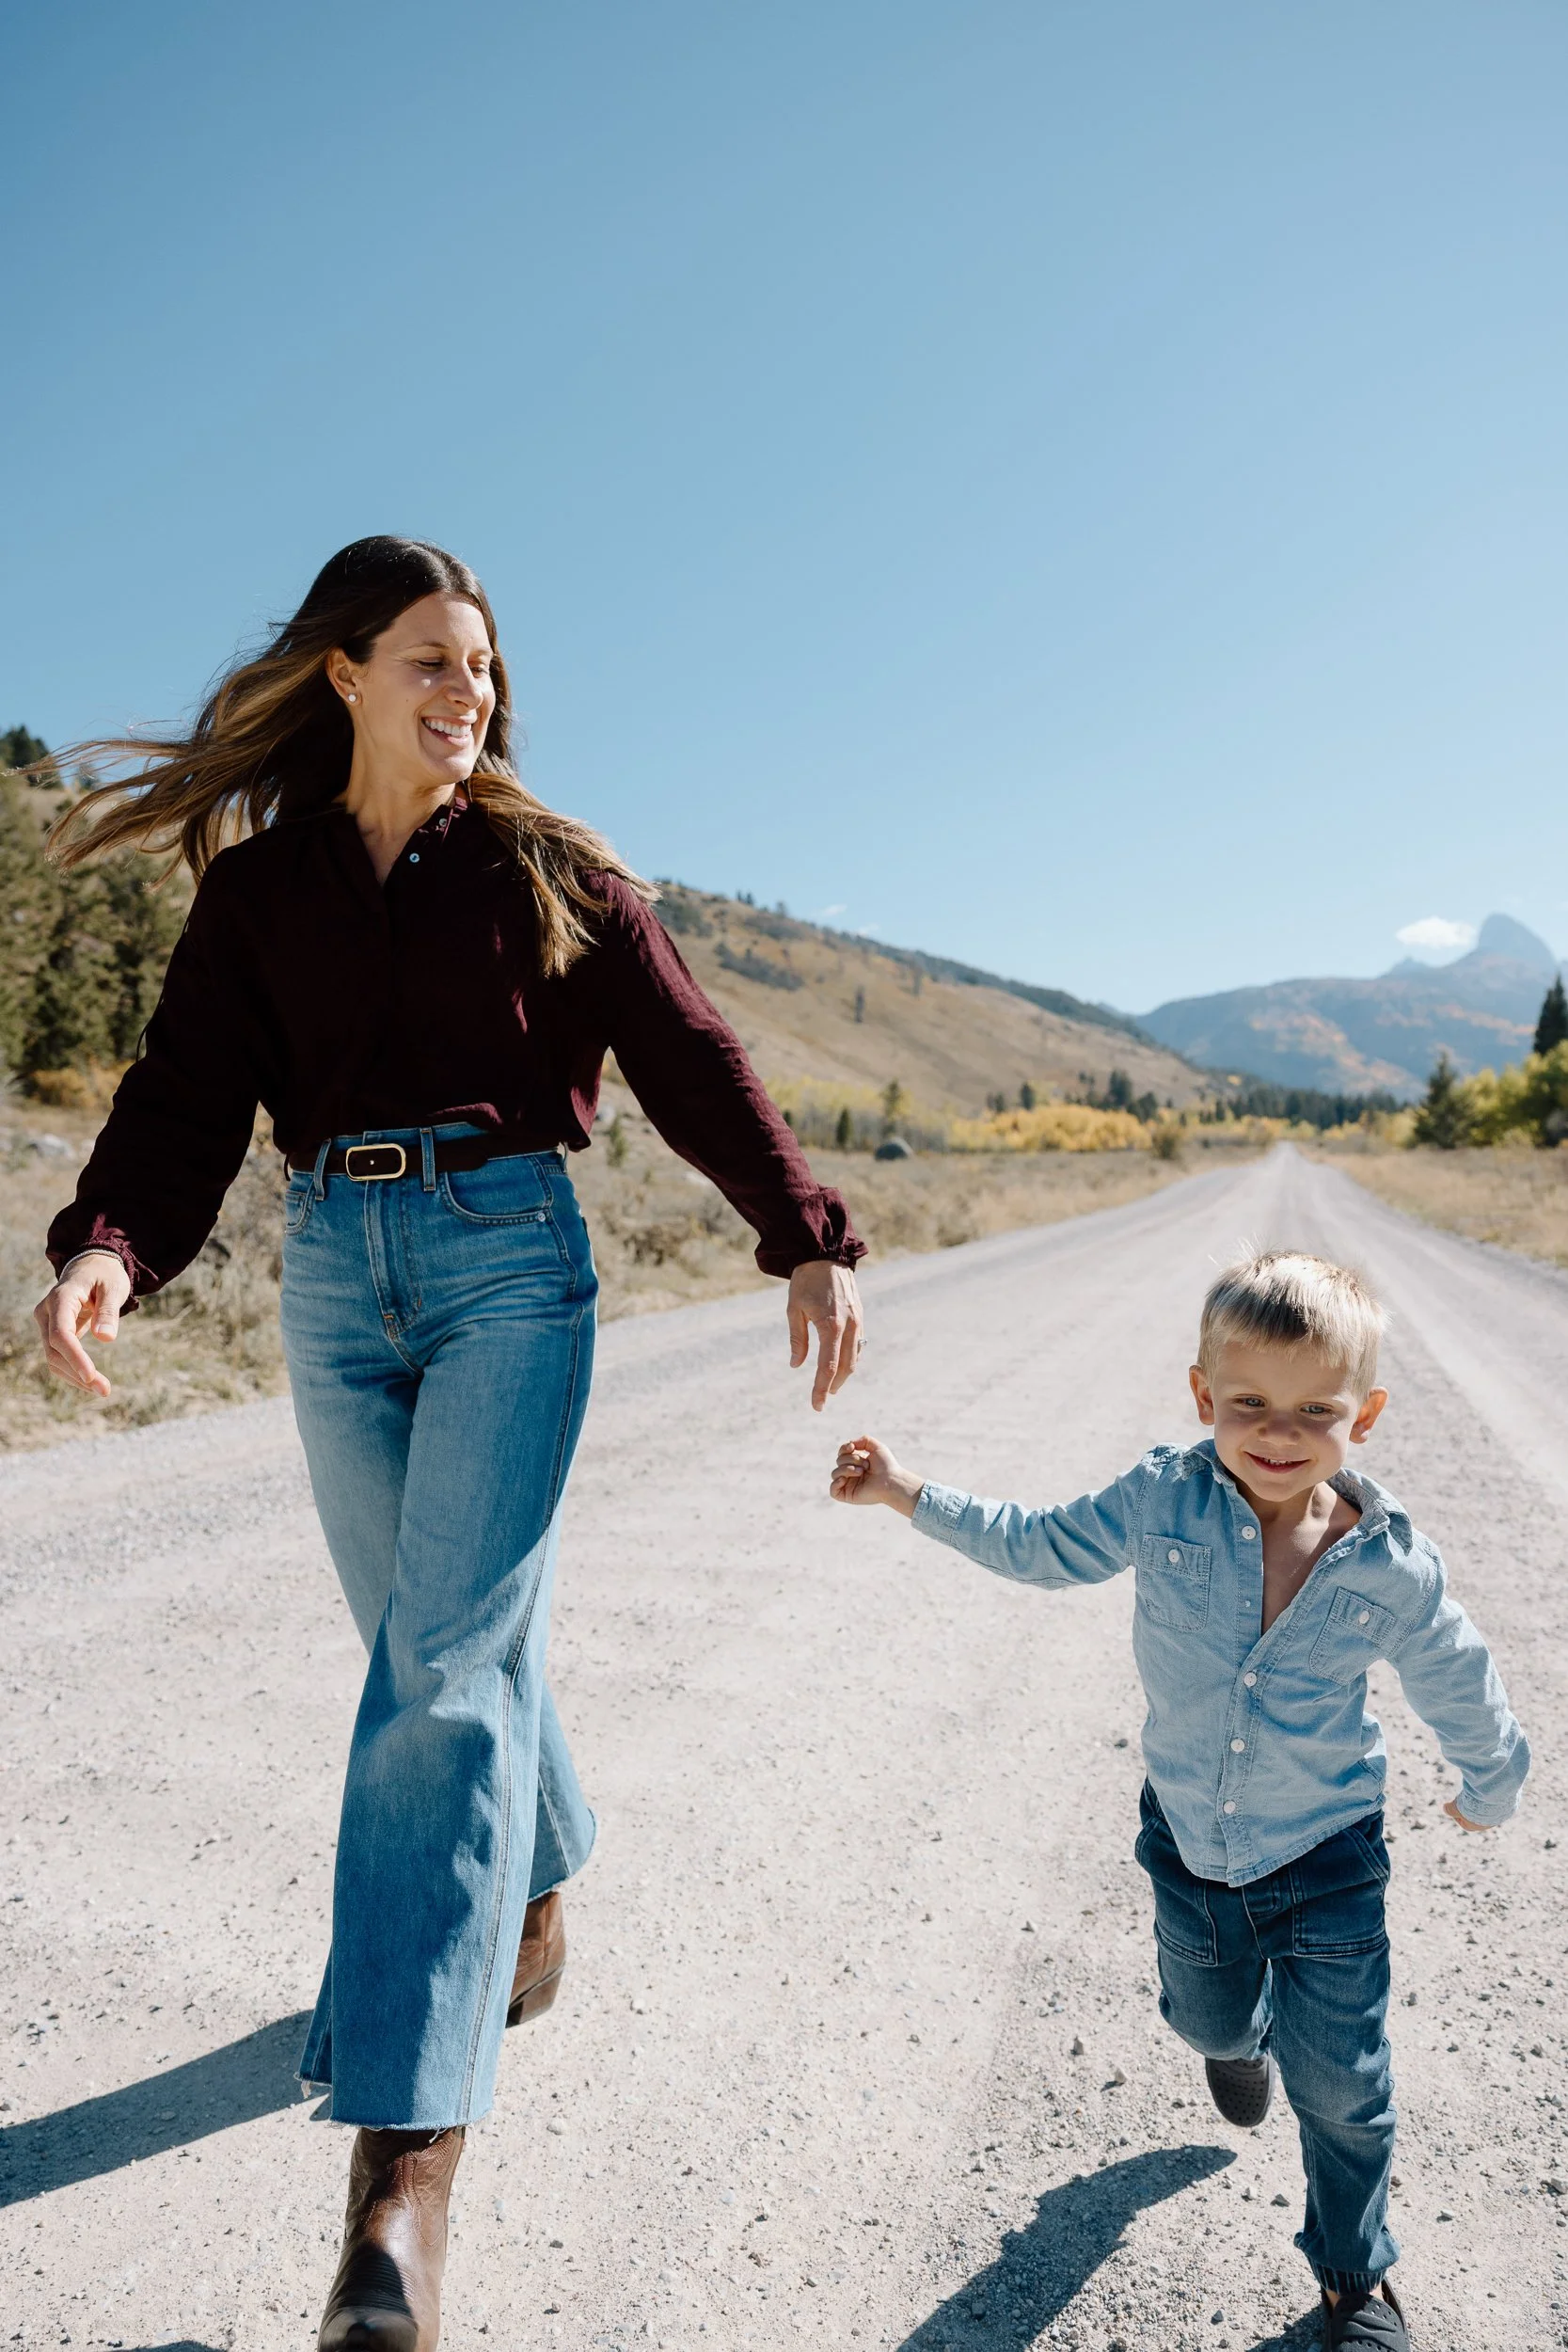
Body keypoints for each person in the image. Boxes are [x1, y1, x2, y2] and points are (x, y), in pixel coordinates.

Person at [35, 535, 866, 2352]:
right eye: (429, 660)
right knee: (431, 1645)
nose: (465, 691)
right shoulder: (260, 898)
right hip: (334, 1269)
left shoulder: (554, 874)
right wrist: (106, 1250)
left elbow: (688, 1048)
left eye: (480, 666)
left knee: (435, 1681)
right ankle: (540, 1867)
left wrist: (798, 1225)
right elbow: (180, 1099)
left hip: (512, 1270)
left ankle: (397, 2192)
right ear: (343, 673)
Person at [829, 1249, 1528, 2352]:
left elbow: (1457, 1674)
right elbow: (1038, 1545)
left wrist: (1491, 1782)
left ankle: (1355, 2278)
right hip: (1193, 1853)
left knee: (1343, 2084)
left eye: (1313, 1408)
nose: (1277, 1430)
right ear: (1202, 1397)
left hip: (1329, 1853)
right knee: (1202, 2014)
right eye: (1246, 1401)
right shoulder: (1161, 1498)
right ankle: (1232, 2036)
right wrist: (904, 1490)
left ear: (1365, 1415)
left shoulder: (1386, 1566)